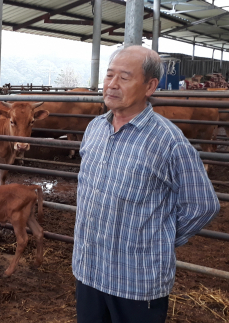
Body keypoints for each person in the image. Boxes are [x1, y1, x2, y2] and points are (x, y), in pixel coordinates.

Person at [72, 45, 220, 322]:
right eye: (109, 75)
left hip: (136, 282)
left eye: (124, 78)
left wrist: (158, 240)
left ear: (150, 86)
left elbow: (202, 205)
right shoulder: (94, 129)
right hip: (88, 270)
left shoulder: (168, 141)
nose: (112, 85)